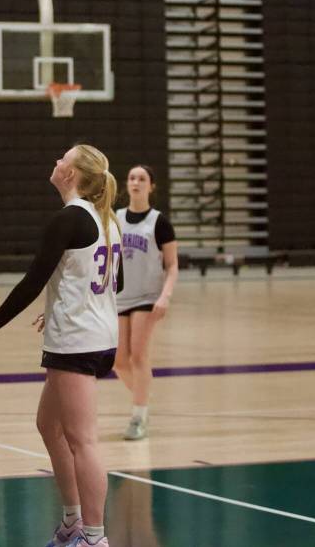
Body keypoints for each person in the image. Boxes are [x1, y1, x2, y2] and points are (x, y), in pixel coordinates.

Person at [0, 144, 122, 547]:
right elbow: (111, 282)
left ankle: (94, 537)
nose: (55, 162)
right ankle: (72, 522)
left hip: (77, 341)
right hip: (95, 335)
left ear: (71, 174)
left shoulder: (68, 219)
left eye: (61, 159)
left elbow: (32, 280)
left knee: (82, 440)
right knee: (48, 425)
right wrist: (59, 307)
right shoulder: (108, 219)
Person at [112, 165, 178, 440]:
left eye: (142, 179)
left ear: (151, 186)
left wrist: (165, 296)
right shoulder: (115, 218)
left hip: (147, 298)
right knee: (117, 361)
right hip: (119, 297)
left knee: (138, 356)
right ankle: (144, 398)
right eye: (132, 178)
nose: (136, 182)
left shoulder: (159, 222)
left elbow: (172, 265)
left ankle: (138, 416)